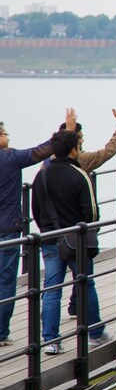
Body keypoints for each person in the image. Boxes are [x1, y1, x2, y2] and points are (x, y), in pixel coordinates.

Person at [0, 110, 76, 347]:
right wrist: (67, 132)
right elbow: (43, 150)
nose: (8, 135)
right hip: (7, 228)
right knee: (5, 279)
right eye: (3, 132)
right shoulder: (10, 158)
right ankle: (1, 332)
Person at [31, 129, 111, 354]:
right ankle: (95, 333)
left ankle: (51, 340)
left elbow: (35, 209)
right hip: (76, 239)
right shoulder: (79, 174)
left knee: (52, 289)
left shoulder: (42, 175)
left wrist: (46, 228)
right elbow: (91, 213)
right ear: (74, 149)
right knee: (85, 284)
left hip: (49, 237)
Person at [61, 109, 116, 318]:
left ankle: (68, 309)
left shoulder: (49, 163)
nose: (82, 141)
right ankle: (85, 317)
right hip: (78, 224)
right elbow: (107, 152)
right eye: (80, 138)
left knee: (55, 278)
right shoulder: (81, 160)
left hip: (54, 226)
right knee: (84, 272)